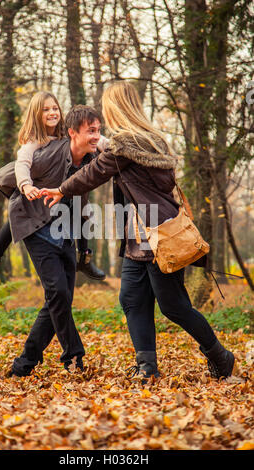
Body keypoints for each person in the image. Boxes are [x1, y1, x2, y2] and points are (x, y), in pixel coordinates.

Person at [40, 81, 235, 383]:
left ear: (116, 106)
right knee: (132, 299)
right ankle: (147, 366)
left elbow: (95, 172)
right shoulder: (148, 140)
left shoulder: (126, 145)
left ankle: (221, 356)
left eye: (107, 106)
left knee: (174, 306)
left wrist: (61, 189)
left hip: (158, 236)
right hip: (139, 237)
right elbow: (109, 152)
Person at [0, 103, 106, 377]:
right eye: (90, 131)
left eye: (98, 131)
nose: (96, 136)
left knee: (59, 301)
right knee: (57, 294)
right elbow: (10, 172)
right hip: (35, 226)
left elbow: (112, 148)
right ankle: (74, 356)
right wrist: (26, 186)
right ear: (71, 133)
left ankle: (24, 365)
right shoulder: (47, 154)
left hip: (64, 231)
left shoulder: (92, 158)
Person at [0, 91, 105, 297]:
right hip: (34, 183)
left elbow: (99, 139)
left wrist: (118, 147)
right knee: (15, 219)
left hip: (63, 181)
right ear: (36, 114)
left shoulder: (67, 131)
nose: (52, 112)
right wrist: (26, 185)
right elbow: (22, 164)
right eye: (46, 110)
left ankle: (85, 259)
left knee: (81, 208)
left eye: (55, 108)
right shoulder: (34, 140)